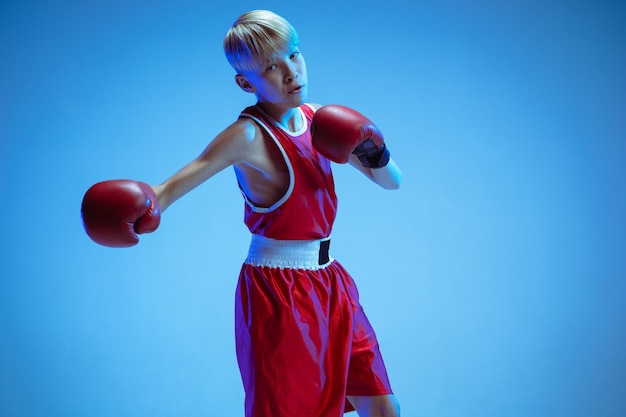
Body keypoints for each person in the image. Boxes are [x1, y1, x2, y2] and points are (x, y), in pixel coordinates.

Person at [81, 9, 402, 417]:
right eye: (271, 66)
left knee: (383, 406)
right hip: (279, 292)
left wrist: (374, 149)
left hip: (333, 282)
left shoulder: (320, 121)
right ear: (245, 82)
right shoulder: (247, 136)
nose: (291, 73)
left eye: (294, 55)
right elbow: (171, 188)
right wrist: (144, 204)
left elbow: (392, 181)